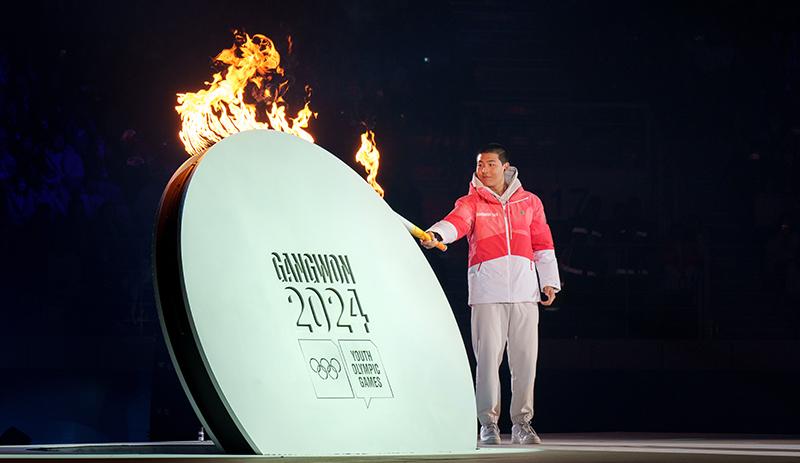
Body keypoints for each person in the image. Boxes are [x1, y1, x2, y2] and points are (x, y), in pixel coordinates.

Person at [420, 143, 560, 445]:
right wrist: (435, 235)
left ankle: (523, 424)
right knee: (487, 362)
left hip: (525, 293)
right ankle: (489, 424)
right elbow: (455, 223)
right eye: (480, 165)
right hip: (487, 294)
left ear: (506, 167)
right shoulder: (471, 203)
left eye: (490, 164)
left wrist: (548, 281)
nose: (483, 170)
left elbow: (543, 243)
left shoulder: (530, 203)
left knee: (525, 362)